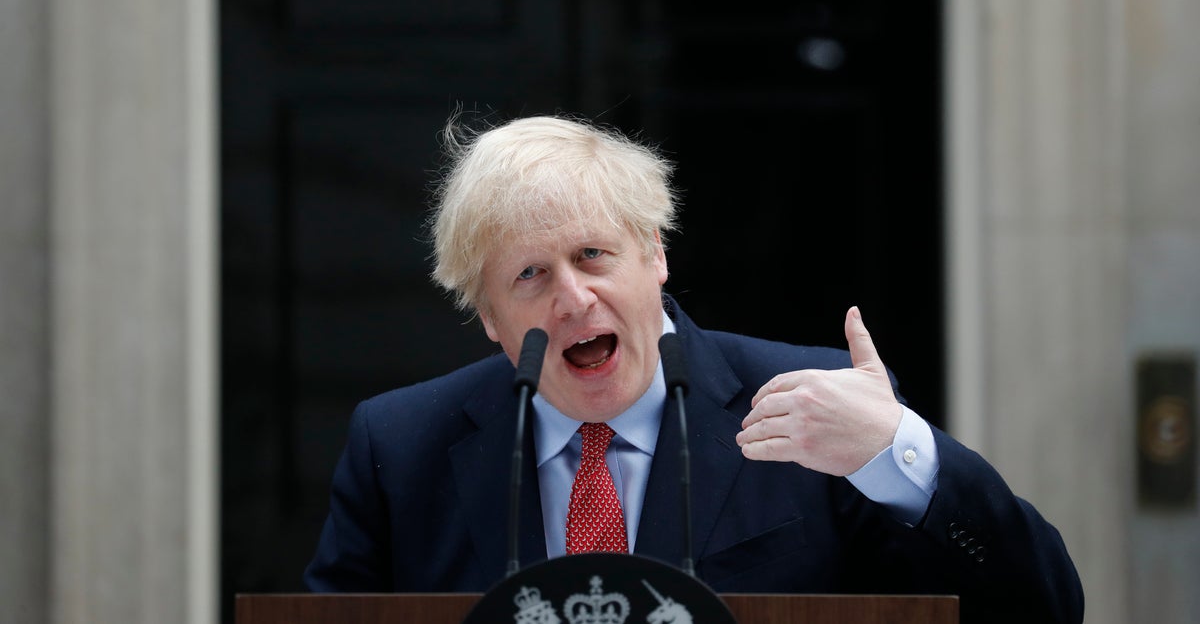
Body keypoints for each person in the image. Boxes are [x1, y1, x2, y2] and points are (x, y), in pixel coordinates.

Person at [304, 114, 1084, 623]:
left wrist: (900, 453)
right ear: (491, 322)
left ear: (655, 255)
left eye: (592, 255)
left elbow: (1040, 607)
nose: (574, 298)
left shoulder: (812, 408)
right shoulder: (400, 445)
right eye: (530, 277)